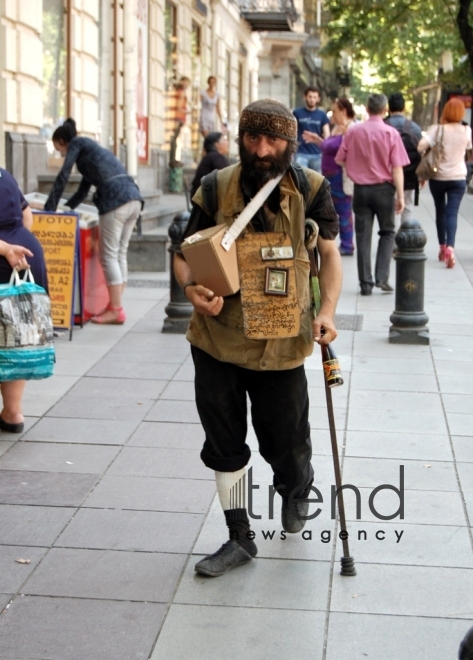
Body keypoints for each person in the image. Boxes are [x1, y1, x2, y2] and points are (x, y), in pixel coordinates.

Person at [174, 99, 342, 577]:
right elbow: (183, 253)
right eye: (252, 137)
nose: (262, 149)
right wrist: (190, 288)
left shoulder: (311, 189)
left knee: (286, 446)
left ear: (290, 142)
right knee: (223, 443)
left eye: (273, 140)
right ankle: (239, 537)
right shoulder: (214, 186)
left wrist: (327, 311)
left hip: (283, 347)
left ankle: (297, 483)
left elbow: (330, 257)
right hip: (216, 340)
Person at [43, 118, 143, 324]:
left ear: (64, 141)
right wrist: (65, 208)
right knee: (119, 253)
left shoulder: (77, 144)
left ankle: (116, 309)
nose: (62, 154)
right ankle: (115, 304)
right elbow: (82, 191)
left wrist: (49, 209)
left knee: (108, 256)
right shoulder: (92, 153)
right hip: (133, 197)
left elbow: (63, 175)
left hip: (115, 201)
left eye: (60, 150)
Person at [336, 93, 410, 295]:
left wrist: (356, 169)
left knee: (362, 236)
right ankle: (381, 277)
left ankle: (365, 284)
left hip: (361, 190)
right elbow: (397, 168)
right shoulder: (391, 133)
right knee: (387, 232)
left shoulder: (353, 132)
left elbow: (340, 159)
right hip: (384, 190)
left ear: (367, 110)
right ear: (385, 110)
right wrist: (401, 196)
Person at [0, 168, 48, 434]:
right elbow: (26, 216)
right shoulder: (3, 174)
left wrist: (6, 249)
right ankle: (12, 412)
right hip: (27, 257)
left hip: (8, 257)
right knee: (14, 338)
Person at [417, 98, 472, 269]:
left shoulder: (438, 130)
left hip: (438, 177)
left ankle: (442, 248)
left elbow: (420, 147)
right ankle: (450, 247)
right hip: (458, 178)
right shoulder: (466, 130)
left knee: (440, 210)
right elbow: (469, 148)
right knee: (452, 213)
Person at [303, 97, 356, 255]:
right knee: (332, 209)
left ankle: (347, 244)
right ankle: (340, 242)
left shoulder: (351, 128)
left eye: (334, 111)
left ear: (343, 111)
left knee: (343, 210)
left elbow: (351, 152)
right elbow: (329, 147)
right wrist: (317, 140)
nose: (332, 114)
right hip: (329, 176)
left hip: (341, 177)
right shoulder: (336, 128)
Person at [384, 92, 422, 223]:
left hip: (386, 175)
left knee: (390, 209)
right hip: (410, 174)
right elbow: (421, 151)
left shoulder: (383, 126)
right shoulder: (414, 127)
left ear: (388, 108)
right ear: (404, 108)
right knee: (407, 207)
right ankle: (406, 236)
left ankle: (391, 238)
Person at [293, 87, 330, 173]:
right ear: (305, 97)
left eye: (314, 97)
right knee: (302, 181)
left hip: (317, 154)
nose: (312, 99)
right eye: (310, 97)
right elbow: (292, 130)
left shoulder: (322, 114)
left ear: (318, 99)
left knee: (316, 183)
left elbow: (327, 135)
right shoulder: (297, 113)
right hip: (301, 153)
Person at [190, 132, 230, 198]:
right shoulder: (215, 157)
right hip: (205, 201)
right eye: (224, 139)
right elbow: (230, 176)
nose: (227, 142)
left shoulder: (210, 157)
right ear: (217, 144)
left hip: (199, 198)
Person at [170, 76, 191, 166]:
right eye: (186, 82)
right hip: (179, 118)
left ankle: (173, 158)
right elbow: (179, 107)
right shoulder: (181, 93)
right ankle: (173, 159)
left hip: (177, 117)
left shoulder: (177, 91)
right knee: (175, 139)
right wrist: (188, 111)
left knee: (175, 138)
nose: (187, 85)